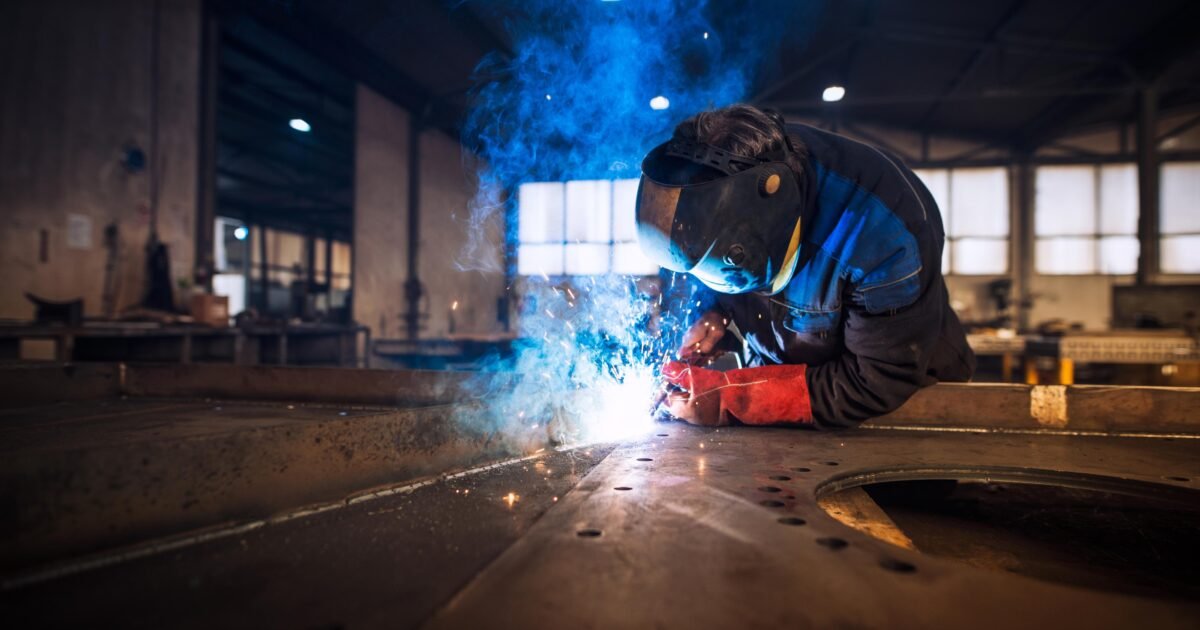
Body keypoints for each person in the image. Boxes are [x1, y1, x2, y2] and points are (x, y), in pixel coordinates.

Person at [637, 104, 975, 429]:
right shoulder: (722, 183)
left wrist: (730, 399)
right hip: (783, 398)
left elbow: (876, 380)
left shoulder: (884, 234)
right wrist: (711, 313)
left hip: (898, 414)